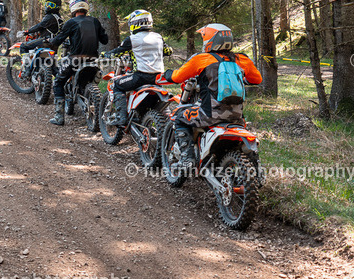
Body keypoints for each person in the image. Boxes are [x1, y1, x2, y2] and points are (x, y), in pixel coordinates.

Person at [163, 23, 263, 172]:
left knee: (179, 117)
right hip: (236, 117)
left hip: (209, 115)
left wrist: (167, 74)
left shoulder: (202, 59)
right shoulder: (241, 59)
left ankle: (187, 160)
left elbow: (178, 77)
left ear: (209, 40)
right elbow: (257, 80)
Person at [46, 0, 108, 125]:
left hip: (75, 59)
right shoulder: (95, 21)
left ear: (73, 7)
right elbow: (105, 40)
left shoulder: (71, 22)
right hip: (93, 60)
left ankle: (59, 117)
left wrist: (51, 41)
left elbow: (58, 40)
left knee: (57, 82)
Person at [105, 9, 173, 127]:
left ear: (135, 23)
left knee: (117, 85)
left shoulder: (132, 39)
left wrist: (105, 55)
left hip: (141, 76)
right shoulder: (158, 37)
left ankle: (122, 118)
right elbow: (168, 51)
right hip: (158, 78)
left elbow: (116, 53)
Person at [18, 0, 63, 67]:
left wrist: (26, 32)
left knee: (23, 46)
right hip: (54, 44)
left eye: (51, 5)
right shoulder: (59, 18)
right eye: (47, 4)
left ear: (57, 7)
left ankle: (26, 67)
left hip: (45, 41)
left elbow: (39, 26)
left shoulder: (50, 17)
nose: (48, 7)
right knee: (52, 66)